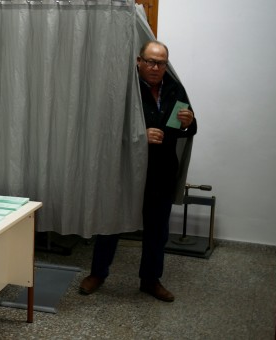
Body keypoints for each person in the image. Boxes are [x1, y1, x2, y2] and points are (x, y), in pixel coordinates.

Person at [79, 40, 197, 303]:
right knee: (111, 223)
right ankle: (97, 273)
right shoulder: (125, 90)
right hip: (125, 170)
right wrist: (138, 136)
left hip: (161, 172)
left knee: (157, 229)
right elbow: (105, 130)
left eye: (162, 63)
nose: (156, 67)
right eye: (151, 62)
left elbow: (190, 126)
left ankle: (150, 280)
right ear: (139, 61)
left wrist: (189, 124)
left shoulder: (175, 89)